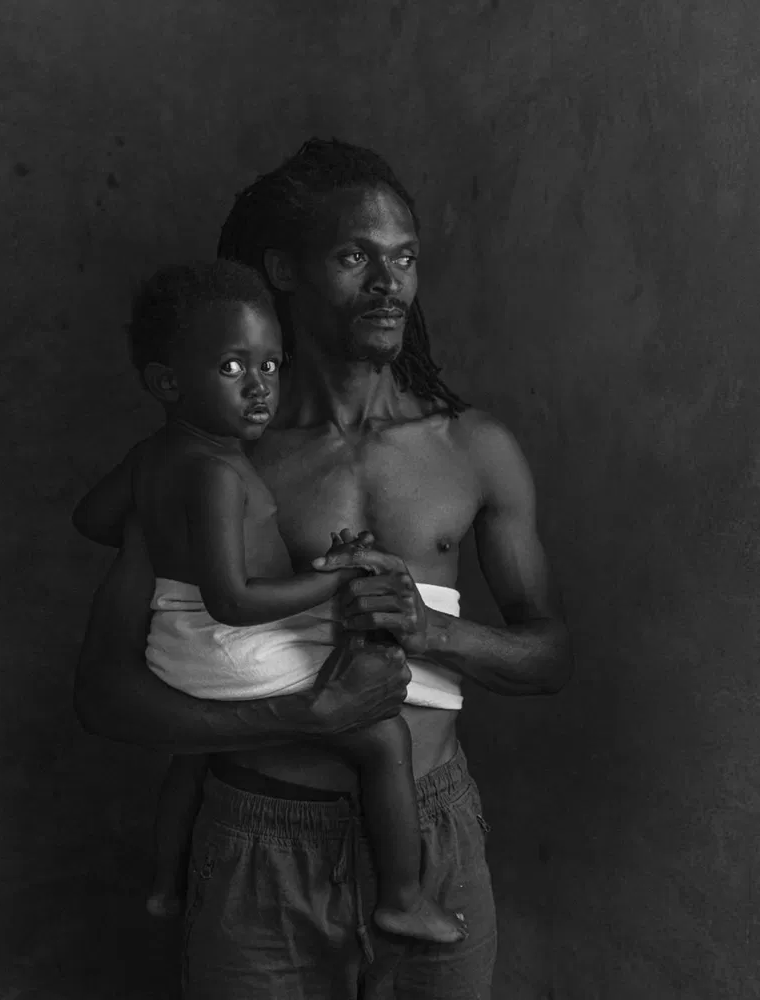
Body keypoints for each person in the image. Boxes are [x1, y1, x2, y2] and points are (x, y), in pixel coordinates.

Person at [73, 138, 573, 999]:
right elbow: (103, 693)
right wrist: (299, 714)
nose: (389, 283)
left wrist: (430, 630)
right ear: (282, 270)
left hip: (435, 834)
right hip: (260, 843)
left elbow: (550, 656)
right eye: (354, 257)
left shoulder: (474, 449)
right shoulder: (215, 459)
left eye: (404, 258)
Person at [75, 259, 468, 944]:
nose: (259, 387)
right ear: (167, 382)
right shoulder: (217, 473)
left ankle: (166, 883)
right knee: (384, 736)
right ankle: (403, 898)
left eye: (270, 366)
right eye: (232, 368)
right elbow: (233, 600)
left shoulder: (153, 456)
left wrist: (158, 531)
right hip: (225, 639)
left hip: (177, 640)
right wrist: (335, 575)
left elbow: (92, 519)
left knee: (195, 755)